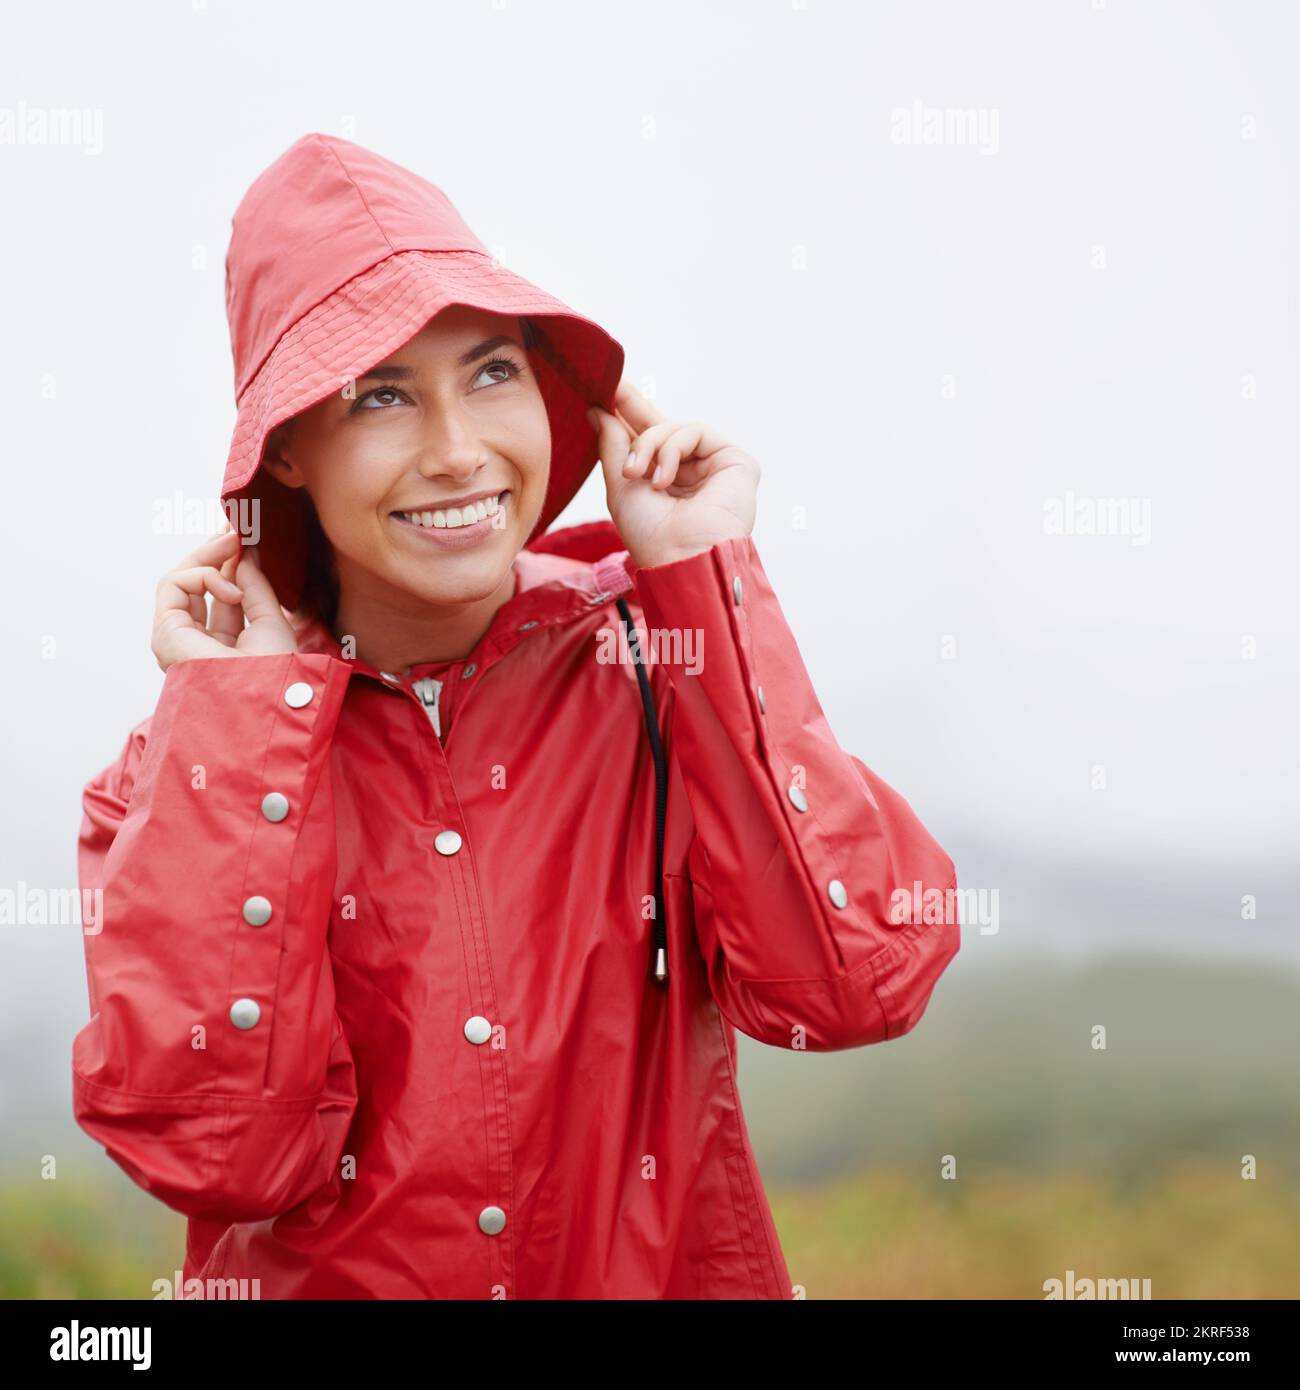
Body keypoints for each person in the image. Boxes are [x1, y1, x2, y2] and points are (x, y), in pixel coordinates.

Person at [71, 133, 960, 1300]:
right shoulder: (178, 773)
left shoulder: (657, 667)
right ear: (284, 452)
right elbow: (222, 1149)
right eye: (381, 395)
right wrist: (237, 728)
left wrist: (707, 583)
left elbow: (848, 991)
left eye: (491, 373)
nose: (458, 452)